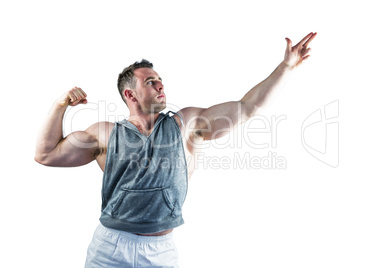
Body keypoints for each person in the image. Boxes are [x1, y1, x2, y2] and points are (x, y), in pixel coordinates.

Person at [35, 32, 317, 267]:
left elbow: (248, 108)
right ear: (129, 95)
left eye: (160, 80)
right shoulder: (105, 133)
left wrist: (286, 67)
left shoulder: (187, 124)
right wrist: (60, 105)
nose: (160, 85)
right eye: (150, 82)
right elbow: (46, 155)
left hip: (159, 251)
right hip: (109, 248)